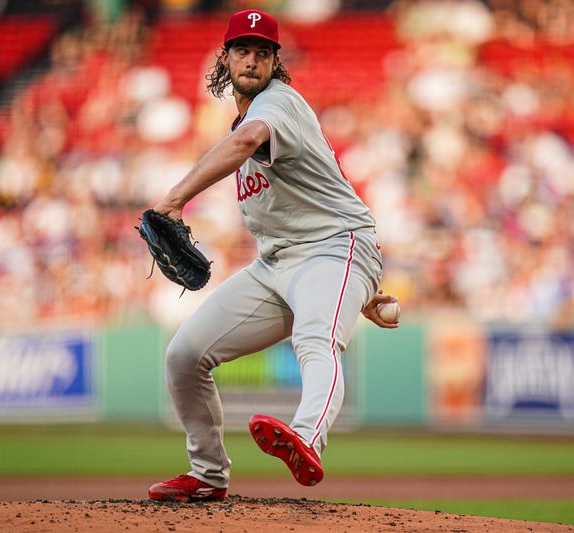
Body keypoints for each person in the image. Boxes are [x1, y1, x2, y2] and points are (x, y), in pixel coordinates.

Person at [147, 9, 398, 503]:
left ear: (274, 62)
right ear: (225, 57)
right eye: (243, 49)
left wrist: (174, 199)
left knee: (314, 342)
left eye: (263, 51)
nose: (252, 59)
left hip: (335, 248)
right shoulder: (245, 118)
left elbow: (245, 142)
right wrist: (356, 291)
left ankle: (307, 435)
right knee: (184, 354)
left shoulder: (278, 103)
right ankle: (208, 475)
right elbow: (305, 198)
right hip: (281, 264)